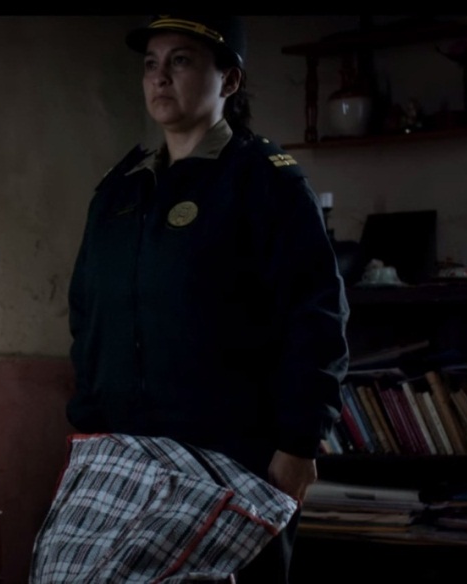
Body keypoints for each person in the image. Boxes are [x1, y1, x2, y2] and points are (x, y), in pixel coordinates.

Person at [64, 15, 350, 584]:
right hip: (126, 457)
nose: (160, 77)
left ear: (230, 80)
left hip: (236, 456)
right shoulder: (120, 192)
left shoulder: (265, 180)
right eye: (151, 64)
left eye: (181, 61)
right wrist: (89, 429)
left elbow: (314, 314)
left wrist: (298, 444)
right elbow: (87, 315)